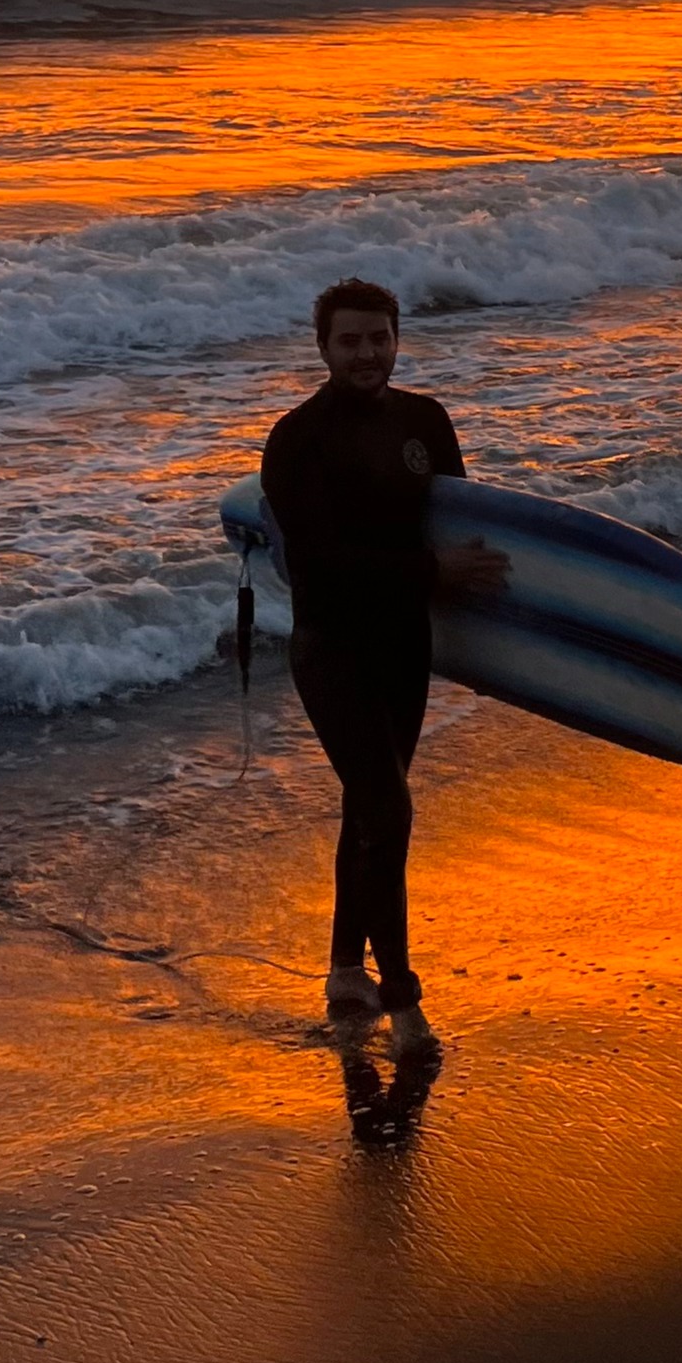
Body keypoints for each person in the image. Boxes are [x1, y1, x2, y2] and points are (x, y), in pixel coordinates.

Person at [259, 278, 504, 1059]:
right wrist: (430, 572)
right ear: (322, 347)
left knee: (368, 809)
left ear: (397, 338)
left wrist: (484, 647)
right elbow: (319, 565)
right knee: (388, 811)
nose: (366, 353)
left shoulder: (424, 421)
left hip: (405, 646)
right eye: (350, 341)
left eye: (378, 338)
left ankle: (342, 970)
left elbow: (462, 530)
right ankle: (402, 1003)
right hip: (332, 648)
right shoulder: (298, 439)